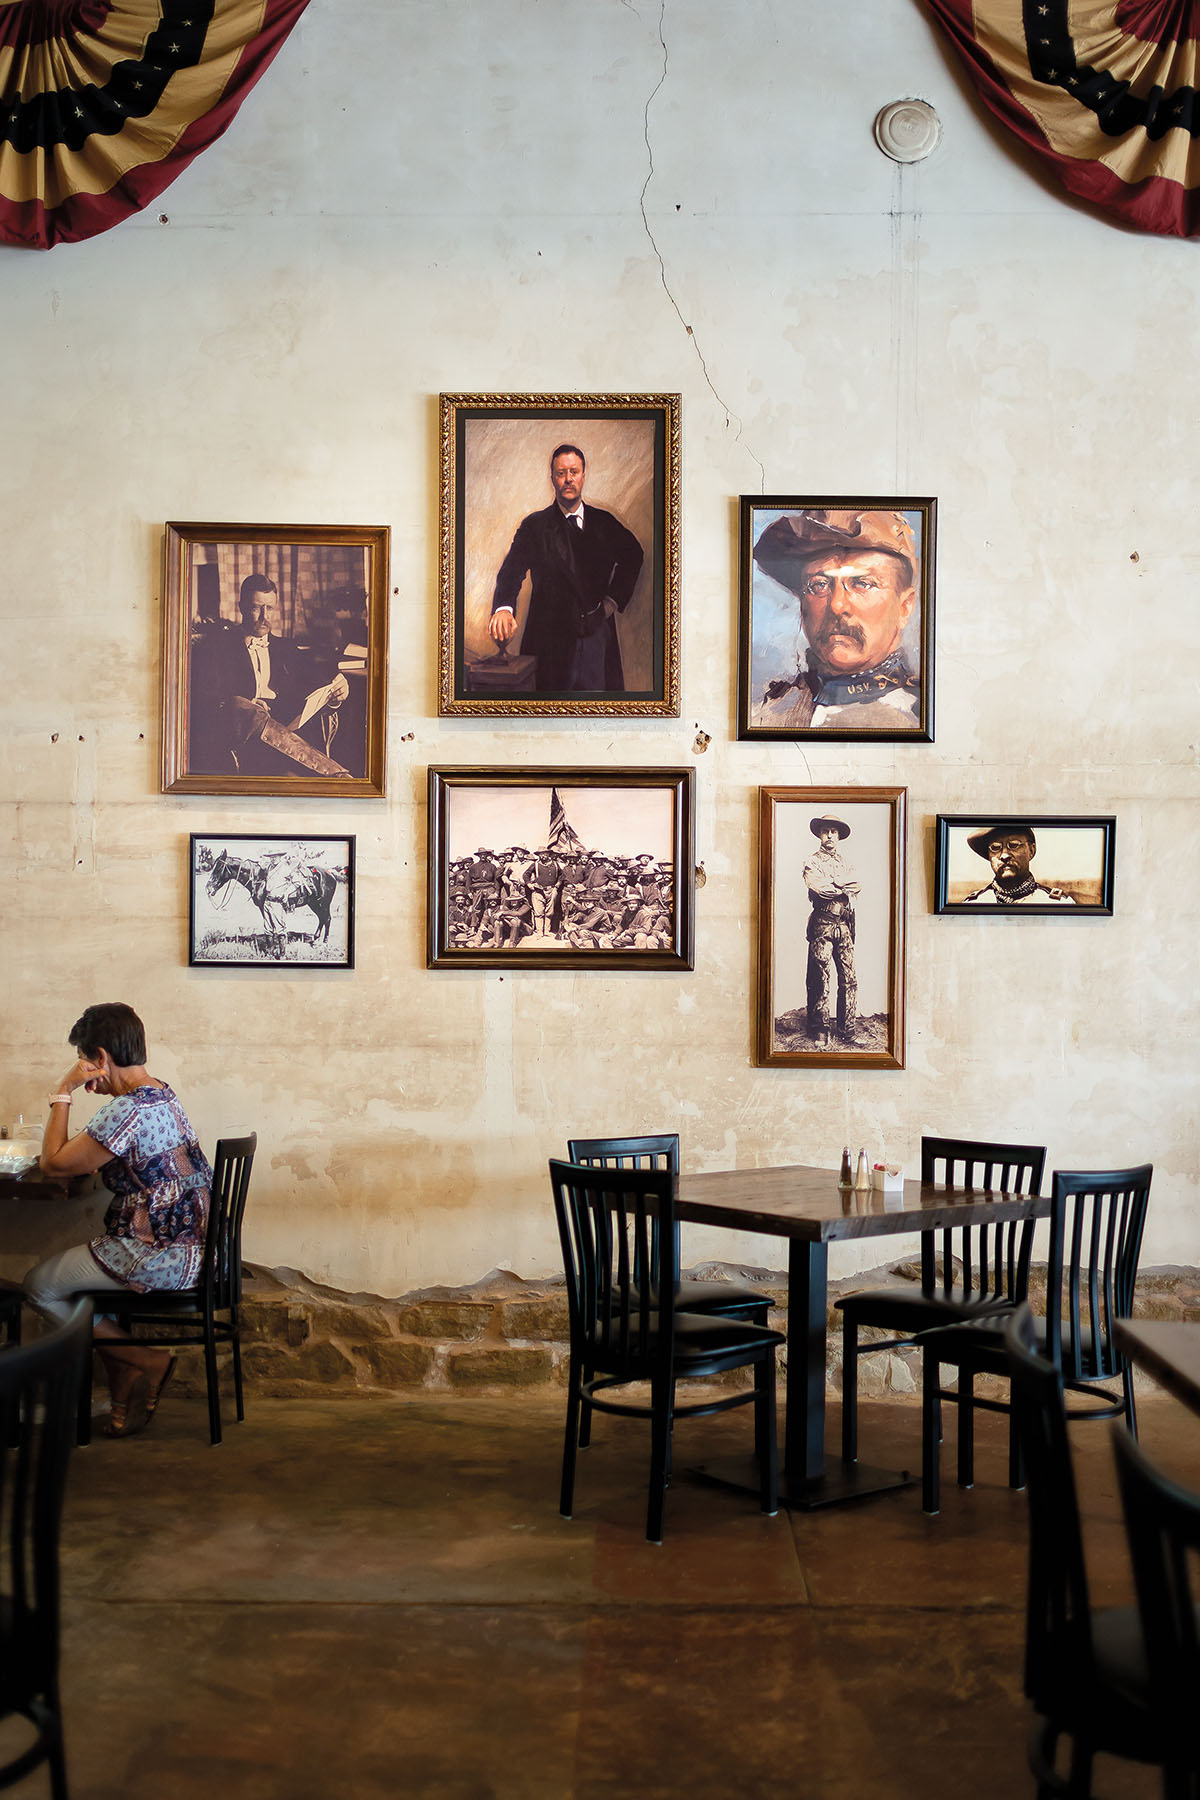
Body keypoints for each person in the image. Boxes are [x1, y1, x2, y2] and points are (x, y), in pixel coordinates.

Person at [25, 1003, 212, 1438]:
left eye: (87, 1064)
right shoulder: (162, 1094)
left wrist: (64, 1090)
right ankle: (124, 1367)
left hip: (159, 1254)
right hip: (195, 1248)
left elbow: (53, 1164)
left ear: (101, 1058)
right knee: (90, 1293)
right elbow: (98, 1159)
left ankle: (146, 1360)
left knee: (39, 1287)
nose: (91, 1079)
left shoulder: (126, 1110)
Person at [488, 444, 645, 692]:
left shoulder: (605, 523)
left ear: (583, 475)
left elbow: (634, 555)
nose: (568, 479)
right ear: (552, 478)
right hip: (547, 643)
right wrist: (504, 608)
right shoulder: (534, 526)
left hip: (596, 641)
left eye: (574, 471)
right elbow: (511, 570)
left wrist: (611, 603)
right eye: (561, 473)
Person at [751, 509, 921, 730]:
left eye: (862, 583)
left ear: (904, 607)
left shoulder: (917, 717)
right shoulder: (765, 713)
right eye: (819, 585)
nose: (836, 605)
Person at [194, 574, 353, 777]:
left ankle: (323, 776)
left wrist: (336, 695)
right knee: (239, 705)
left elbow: (316, 687)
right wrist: (249, 704)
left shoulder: (287, 648)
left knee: (291, 777)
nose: (264, 617)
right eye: (256, 608)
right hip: (242, 734)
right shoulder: (218, 645)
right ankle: (335, 774)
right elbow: (205, 698)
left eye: (269, 608)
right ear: (242, 607)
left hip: (286, 732)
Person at [803, 816, 860, 1047]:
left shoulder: (846, 862)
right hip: (823, 923)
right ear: (819, 834)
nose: (829, 835)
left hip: (844, 925)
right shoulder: (812, 861)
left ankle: (848, 1030)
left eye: (833, 832)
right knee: (820, 977)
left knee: (849, 979)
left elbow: (857, 884)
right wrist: (841, 885)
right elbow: (819, 888)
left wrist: (836, 881)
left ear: (838, 836)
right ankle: (820, 1029)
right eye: (825, 831)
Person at [962, 824, 1078, 905]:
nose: (1004, 855)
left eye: (1013, 845)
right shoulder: (975, 904)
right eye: (995, 848)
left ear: (1031, 850)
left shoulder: (1056, 904)